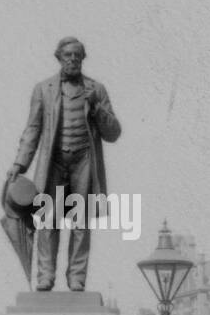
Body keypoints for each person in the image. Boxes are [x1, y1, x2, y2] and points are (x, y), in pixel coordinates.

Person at [7, 37, 123, 291]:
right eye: (68, 55)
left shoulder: (96, 89)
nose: (73, 59)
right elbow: (33, 129)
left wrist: (98, 108)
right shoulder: (43, 89)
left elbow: (113, 133)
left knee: (80, 221)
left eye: (77, 56)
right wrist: (20, 164)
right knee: (49, 220)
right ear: (58, 57)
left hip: (84, 160)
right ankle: (46, 275)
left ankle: (77, 276)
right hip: (54, 161)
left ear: (83, 59)